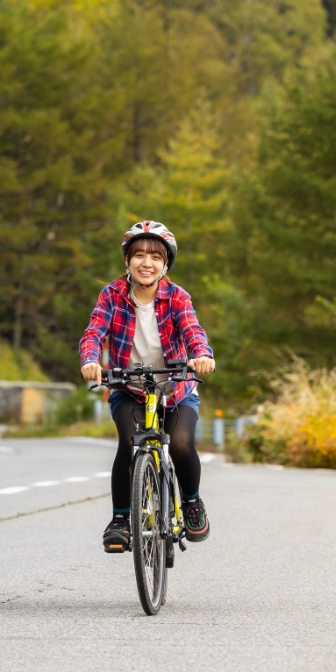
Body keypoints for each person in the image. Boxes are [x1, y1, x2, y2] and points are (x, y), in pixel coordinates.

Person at [79, 220, 216, 553]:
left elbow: (193, 331)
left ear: (165, 263)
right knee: (129, 443)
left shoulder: (177, 296)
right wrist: (91, 360)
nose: (146, 263)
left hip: (175, 388)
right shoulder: (112, 295)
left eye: (155, 257)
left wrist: (201, 355)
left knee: (181, 443)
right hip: (129, 388)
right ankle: (120, 519)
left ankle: (192, 502)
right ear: (127, 260)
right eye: (139, 255)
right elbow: (94, 332)